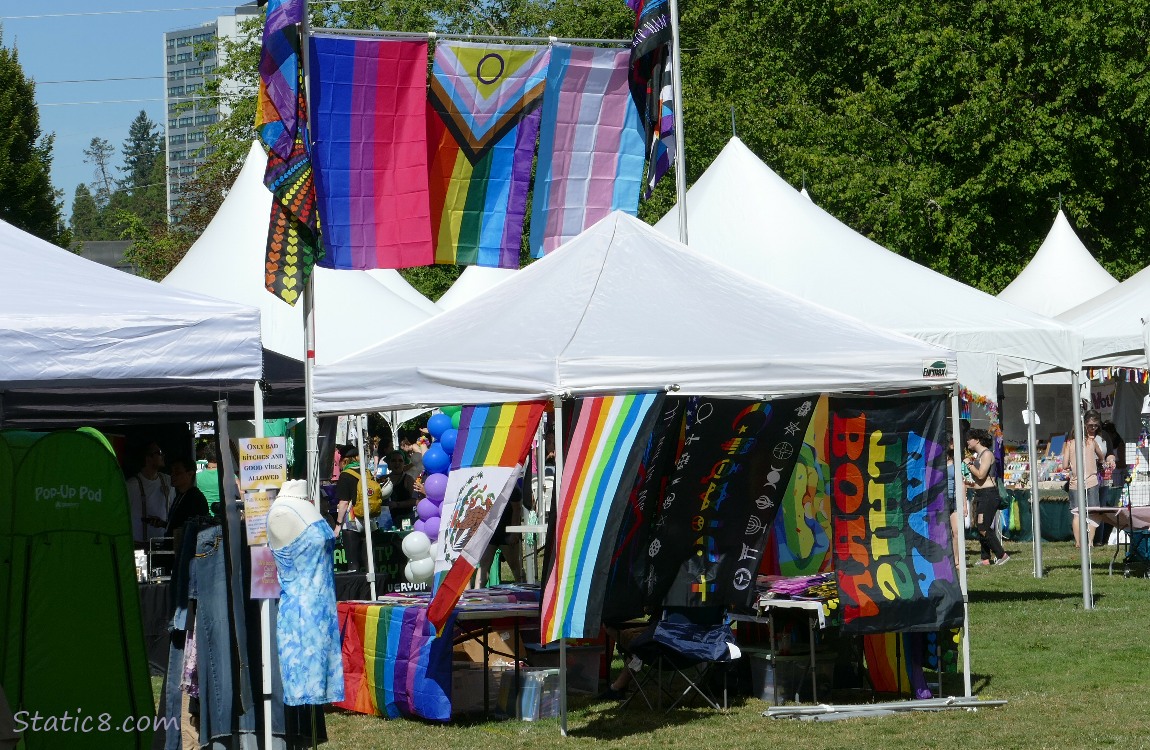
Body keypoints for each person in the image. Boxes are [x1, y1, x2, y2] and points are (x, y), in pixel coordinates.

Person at [267, 480, 344, 706]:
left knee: (321, 689)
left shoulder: (306, 506)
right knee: (307, 688)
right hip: (301, 618)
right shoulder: (281, 513)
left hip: (324, 613)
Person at [964, 428, 1009, 566]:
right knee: (980, 526)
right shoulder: (978, 455)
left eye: (969, 439)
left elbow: (981, 474)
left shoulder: (986, 454)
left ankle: (1002, 555)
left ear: (977, 440)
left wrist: (969, 464)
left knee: (983, 526)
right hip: (980, 494)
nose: (967, 442)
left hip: (989, 495)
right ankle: (985, 558)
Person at [1064, 409, 1107, 549]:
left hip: (1075, 483)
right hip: (1091, 482)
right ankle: (1089, 541)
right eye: (1091, 426)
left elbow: (1064, 465)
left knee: (1077, 513)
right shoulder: (1092, 442)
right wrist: (1099, 461)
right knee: (1093, 512)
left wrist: (1072, 465)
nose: (1093, 428)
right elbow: (1101, 456)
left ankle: (1078, 542)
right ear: (1085, 427)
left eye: (1095, 426)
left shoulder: (1069, 444)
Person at [128, 440, 175, 549]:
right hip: (139, 546)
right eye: (159, 452)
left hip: (165, 544)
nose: (163, 456)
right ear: (148, 458)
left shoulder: (168, 481)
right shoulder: (131, 485)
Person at [165, 458, 210, 543]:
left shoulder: (195, 498)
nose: (172, 475)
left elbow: (193, 528)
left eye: (177, 472)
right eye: (171, 472)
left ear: (190, 473)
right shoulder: (180, 495)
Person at [1096, 421, 1125, 546]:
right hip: (1107, 476)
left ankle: (1100, 537)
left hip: (1117, 476)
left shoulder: (1120, 445)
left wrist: (1109, 464)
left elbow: (1123, 463)